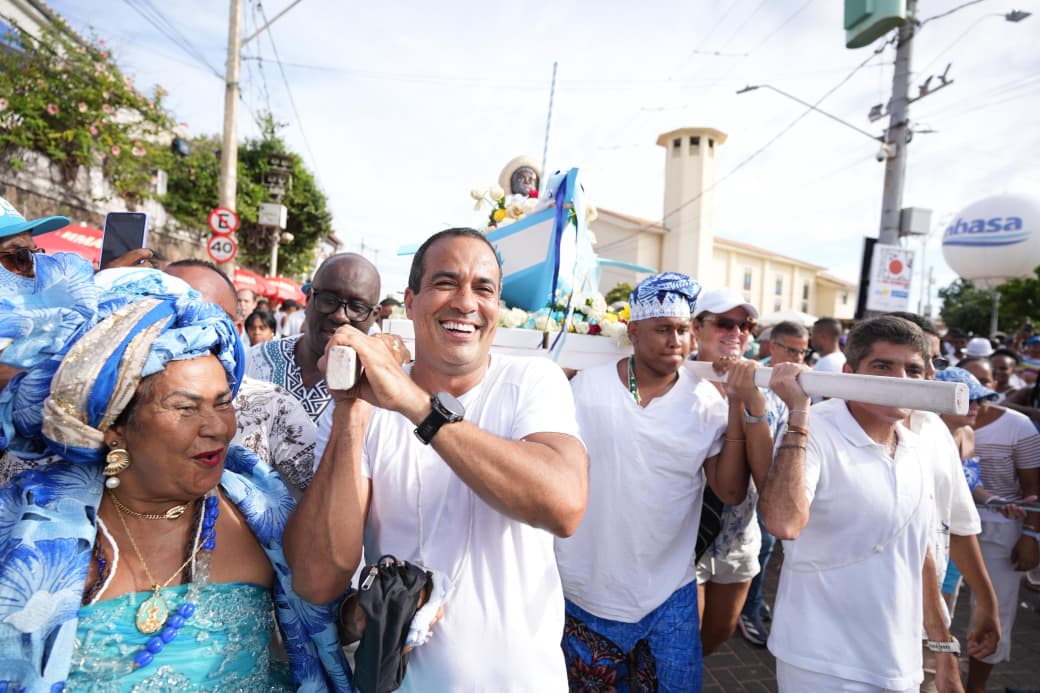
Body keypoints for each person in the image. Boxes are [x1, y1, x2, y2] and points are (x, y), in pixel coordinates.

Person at [0, 270, 351, 691]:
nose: (218, 428)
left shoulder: (261, 512)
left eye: (223, 403)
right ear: (113, 425)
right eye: (185, 408)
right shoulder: (32, 531)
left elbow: (324, 617)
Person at [286, 228, 589, 691]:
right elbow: (316, 580)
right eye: (446, 283)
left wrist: (417, 405)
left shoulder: (532, 381)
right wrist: (351, 405)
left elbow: (563, 505)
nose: (465, 302)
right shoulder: (365, 407)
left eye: (483, 288)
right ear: (410, 301)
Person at [555, 273, 753, 691]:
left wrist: (736, 402)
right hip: (584, 586)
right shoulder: (585, 388)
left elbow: (730, 491)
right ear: (633, 332)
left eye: (683, 330)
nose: (676, 341)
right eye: (663, 329)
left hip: (669, 592)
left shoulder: (706, 402)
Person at [760, 315, 962, 692]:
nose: (899, 381)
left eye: (913, 370)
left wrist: (943, 649)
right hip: (820, 660)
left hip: (899, 663)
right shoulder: (813, 428)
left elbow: (920, 554)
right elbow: (784, 522)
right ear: (849, 373)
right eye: (883, 366)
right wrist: (799, 413)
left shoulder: (916, 445)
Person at [888, 313, 1000, 693]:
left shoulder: (935, 428)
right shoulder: (831, 429)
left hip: (927, 621)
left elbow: (958, 524)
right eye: (922, 362)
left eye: (932, 361)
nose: (933, 373)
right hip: (864, 622)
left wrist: (986, 600)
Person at [165, 259, 319, 493]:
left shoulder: (273, 406)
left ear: (234, 331)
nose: (184, 336)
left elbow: (325, 497)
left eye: (202, 323)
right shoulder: (109, 403)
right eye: (166, 317)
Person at [690, 288, 777, 656]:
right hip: (681, 539)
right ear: (696, 327)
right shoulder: (674, 380)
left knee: (718, 635)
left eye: (745, 325)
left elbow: (767, 475)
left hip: (737, 535)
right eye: (725, 322)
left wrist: (743, 397)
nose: (737, 332)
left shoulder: (766, 391)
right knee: (683, 642)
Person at [950, 359, 1040, 692]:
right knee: (938, 608)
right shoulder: (927, 425)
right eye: (967, 389)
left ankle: (975, 688)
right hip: (944, 532)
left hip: (1001, 532)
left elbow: (1033, 489)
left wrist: (1030, 534)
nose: (978, 397)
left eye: (984, 384)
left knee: (993, 612)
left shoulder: (1018, 427)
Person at [738, 319, 809, 647]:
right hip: (742, 486)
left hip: (774, 483)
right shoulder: (751, 377)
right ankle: (746, 607)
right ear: (773, 346)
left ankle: (750, 604)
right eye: (791, 350)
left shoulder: (802, 383)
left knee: (765, 547)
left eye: (803, 352)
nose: (797, 358)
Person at [247, 253, 381, 422]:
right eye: (328, 300)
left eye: (357, 307)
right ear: (308, 299)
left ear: (374, 316)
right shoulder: (255, 360)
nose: (340, 316)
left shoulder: (377, 387)